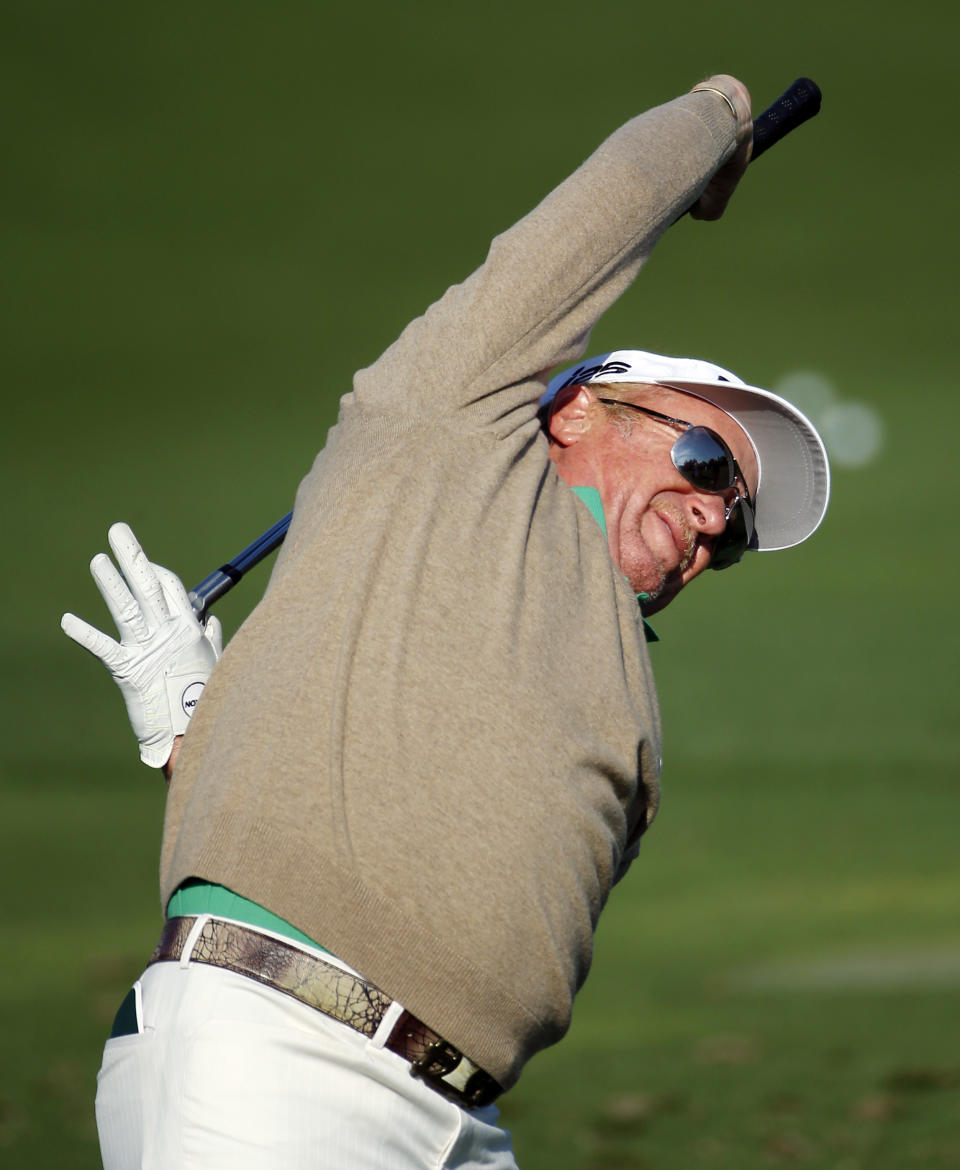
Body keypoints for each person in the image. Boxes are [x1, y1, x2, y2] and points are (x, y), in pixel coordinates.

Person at [62, 74, 829, 1170]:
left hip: (449, 1112)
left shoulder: (611, 673)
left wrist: (197, 733)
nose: (713, 517)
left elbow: (384, 831)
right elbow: (594, 214)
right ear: (574, 410)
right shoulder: (453, 434)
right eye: (704, 461)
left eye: (735, 529)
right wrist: (717, 123)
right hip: (279, 1068)